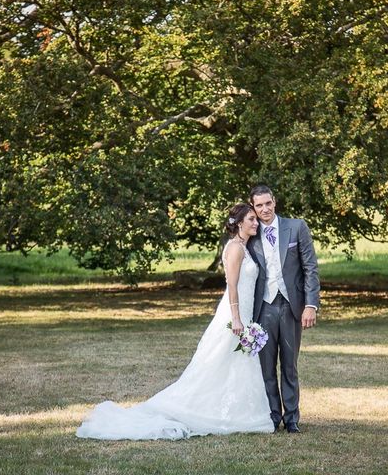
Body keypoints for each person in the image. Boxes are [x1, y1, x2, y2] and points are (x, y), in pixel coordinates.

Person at [76, 203, 274, 440]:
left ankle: (238, 412)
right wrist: (237, 319)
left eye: (255, 219)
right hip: (234, 314)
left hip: (244, 313)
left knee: (233, 364)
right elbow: (232, 286)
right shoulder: (235, 249)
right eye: (251, 219)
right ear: (239, 223)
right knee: (214, 364)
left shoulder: (244, 246)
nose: (255, 222)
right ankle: (198, 409)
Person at [247, 185, 320, 434]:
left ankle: (292, 419)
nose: (264, 209)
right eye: (259, 206)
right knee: (266, 367)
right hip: (263, 308)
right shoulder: (251, 233)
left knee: (289, 365)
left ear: (274, 202)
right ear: (253, 208)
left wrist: (310, 304)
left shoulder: (296, 227)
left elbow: (310, 268)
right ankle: (272, 417)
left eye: (268, 203)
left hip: (291, 306)